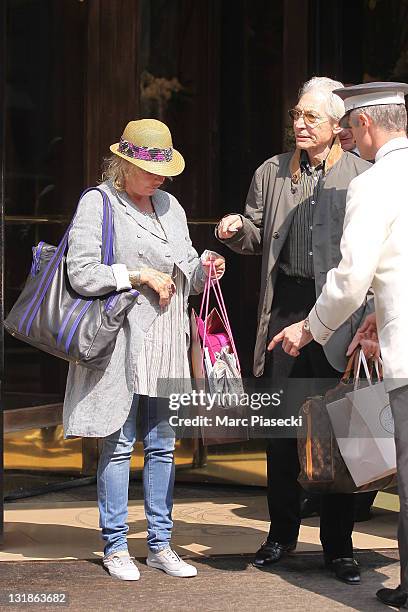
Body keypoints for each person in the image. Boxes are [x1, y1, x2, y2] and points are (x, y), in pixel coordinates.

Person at [216, 77, 374, 584]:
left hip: (338, 311)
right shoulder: (272, 172)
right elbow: (257, 232)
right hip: (285, 308)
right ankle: (281, 534)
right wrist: (240, 229)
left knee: (338, 429)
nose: (301, 124)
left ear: (336, 125)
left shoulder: (361, 176)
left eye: (312, 117)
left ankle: (339, 547)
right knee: (280, 429)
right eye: (297, 115)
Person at [63, 118, 225, 581]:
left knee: (163, 445)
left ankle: (160, 544)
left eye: (164, 171)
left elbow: (187, 264)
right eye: (151, 169)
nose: (161, 178)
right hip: (121, 341)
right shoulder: (99, 202)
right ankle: (115, 546)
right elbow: (82, 271)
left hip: (167, 340)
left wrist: (207, 268)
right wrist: (136, 275)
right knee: (117, 444)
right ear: (123, 164)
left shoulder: (169, 205)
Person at [268, 81, 408, 607]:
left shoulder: (372, 183)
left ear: (364, 125)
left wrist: (311, 328)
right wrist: (377, 311)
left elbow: (350, 278)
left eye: (350, 126)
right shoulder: (275, 173)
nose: (350, 135)